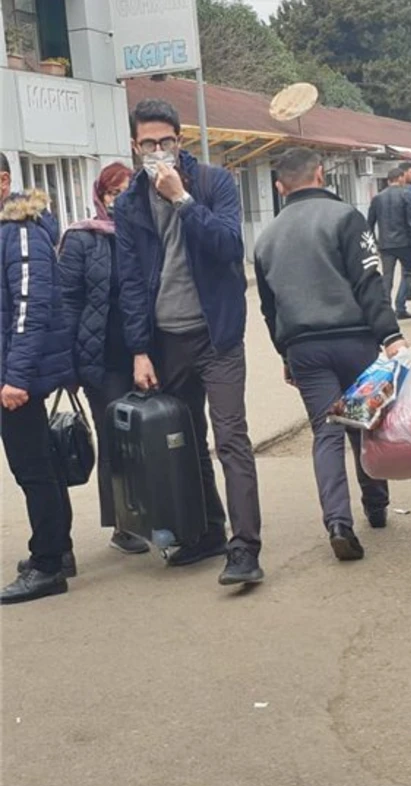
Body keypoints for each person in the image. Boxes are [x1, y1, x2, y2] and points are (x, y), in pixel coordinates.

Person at [114, 98, 264, 586]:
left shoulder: (211, 183)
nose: (158, 151)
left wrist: (181, 199)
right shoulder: (129, 202)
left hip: (215, 334)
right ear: (136, 146)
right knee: (188, 440)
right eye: (149, 144)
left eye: (167, 142)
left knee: (230, 439)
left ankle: (245, 548)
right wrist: (139, 349)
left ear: (181, 142)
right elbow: (131, 281)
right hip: (166, 341)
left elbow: (228, 245)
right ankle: (208, 530)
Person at [254, 148, 407, 562]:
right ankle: (375, 508)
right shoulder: (345, 218)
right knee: (363, 425)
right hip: (355, 342)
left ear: (279, 186)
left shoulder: (266, 238)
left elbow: (270, 309)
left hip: (304, 349)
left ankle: (338, 523)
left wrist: (285, 353)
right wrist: (390, 335)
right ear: (321, 174)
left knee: (326, 433)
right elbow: (369, 281)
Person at [58, 161, 148, 558]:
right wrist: (68, 364)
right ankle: (122, 524)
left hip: (145, 353)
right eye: (114, 193)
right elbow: (67, 302)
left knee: (150, 436)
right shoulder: (81, 239)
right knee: (115, 439)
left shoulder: (146, 235)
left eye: (127, 193)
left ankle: (155, 510)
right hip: (102, 357)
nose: (119, 201)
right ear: (101, 195)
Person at [0, 153, 77, 603]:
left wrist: (16, 377)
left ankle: (48, 564)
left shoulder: (22, 232)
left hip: (18, 376)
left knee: (32, 468)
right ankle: (58, 550)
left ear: (5, 179)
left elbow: (31, 311)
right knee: (40, 462)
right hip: (14, 371)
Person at [366, 163, 411, 321]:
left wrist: (374, 243)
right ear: (399, 178)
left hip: (385, 245)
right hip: (405, 244)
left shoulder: (377, 198)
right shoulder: (406, 195)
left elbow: (369, 223)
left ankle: (385, 312)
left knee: (387, 277)